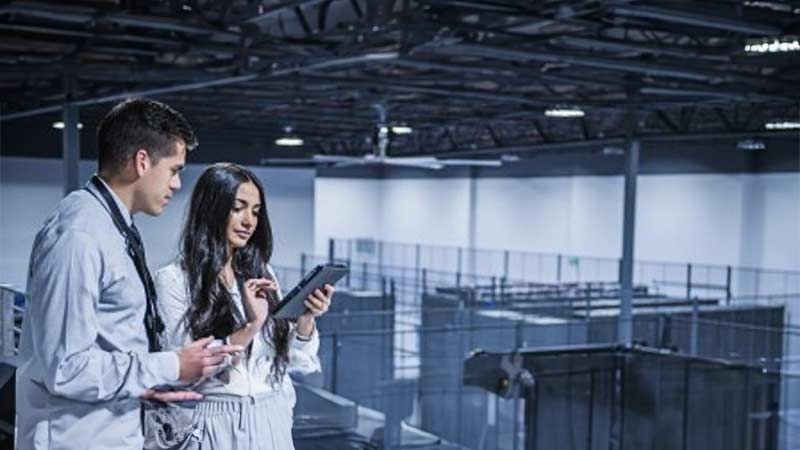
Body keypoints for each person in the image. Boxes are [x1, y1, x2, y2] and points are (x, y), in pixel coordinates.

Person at [15, 98, 243, 450]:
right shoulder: (81, 235)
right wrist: (171, 366)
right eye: (174, 169)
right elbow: (66, 369)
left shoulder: (112, 227)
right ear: (142, 161)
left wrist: (145, 386)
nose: (178, 184)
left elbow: (106, 347)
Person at [153, 162, 333, 450]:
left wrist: (305, 322)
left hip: (272, 416)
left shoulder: (263, 273)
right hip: (214, 421)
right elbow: (184, 371)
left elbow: (293, 362)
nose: (250, 221)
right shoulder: (173, 280)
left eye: (256, 211)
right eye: (238, 208)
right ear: (212, 209)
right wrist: (251, 326)